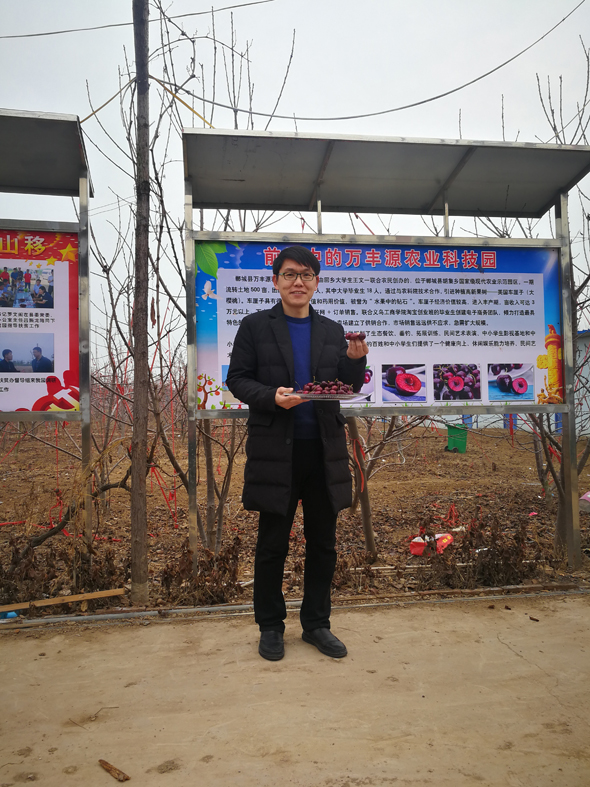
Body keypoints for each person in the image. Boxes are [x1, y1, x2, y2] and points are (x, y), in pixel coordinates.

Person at [226, 245, 369, 661]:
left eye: (306, 275)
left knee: (323, 543)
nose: (298, 282)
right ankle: (271, 627)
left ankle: (317, 624)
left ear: (316, 283)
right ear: (275, 281)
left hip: (323, 452)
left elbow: (345, 386)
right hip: (276, 452)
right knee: (272, 545)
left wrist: (355, 362)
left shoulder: (331, 330)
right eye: (289, 274)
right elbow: (238, 379)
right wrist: (272, 396)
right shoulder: (255, 326)